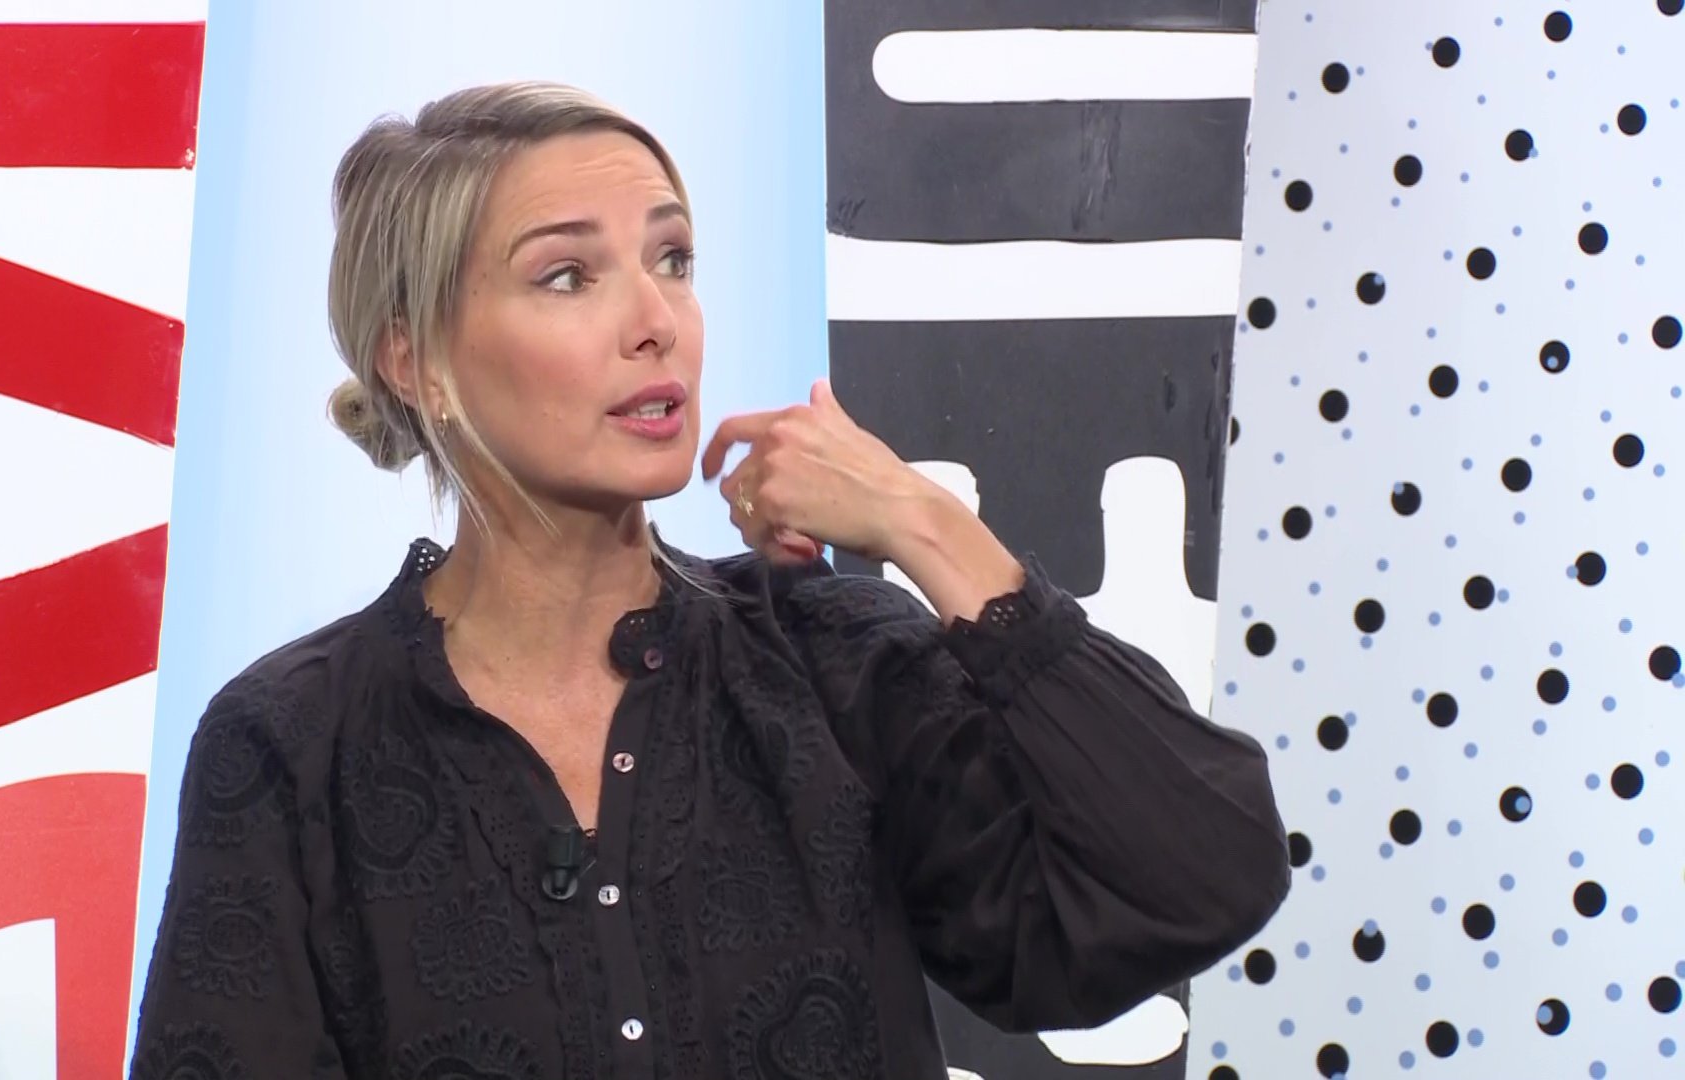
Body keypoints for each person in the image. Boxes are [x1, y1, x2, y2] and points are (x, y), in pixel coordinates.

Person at [128, 81, 1290, 1080]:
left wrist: (923, 524)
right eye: (568, 276)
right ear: (417, 358)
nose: (657, 322)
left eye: (673, 260)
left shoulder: (832, 664)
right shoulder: (294, 741)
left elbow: (1207, 871)